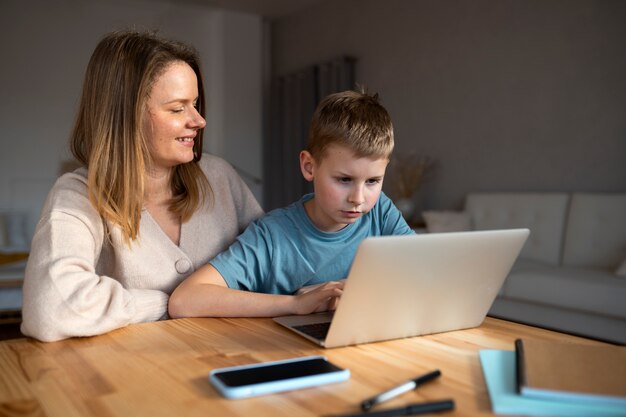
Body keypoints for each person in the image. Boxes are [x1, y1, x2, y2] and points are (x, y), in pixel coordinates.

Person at [20, 31, 263, 342]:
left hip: (231, 358)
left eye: (196, 104)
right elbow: (51, 309)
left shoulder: (219, 177)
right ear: (126, 116)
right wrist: (175, 303)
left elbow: (275, 260)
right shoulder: (77, 195)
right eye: (178, 108)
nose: (199, 120)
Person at [168, 89, 414, 318]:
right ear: (309, 167)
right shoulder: (272, 236)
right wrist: (294, 304)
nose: (358, 199)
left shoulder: (380, 211)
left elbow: (421, 271)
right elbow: (185, 300)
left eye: (373, 181)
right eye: (344, 180)